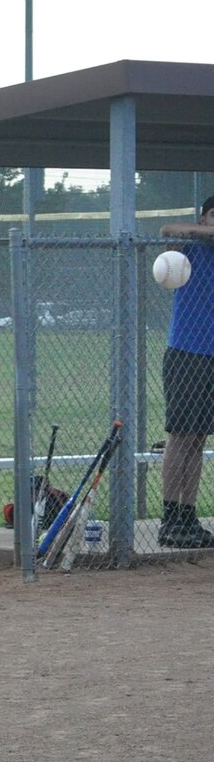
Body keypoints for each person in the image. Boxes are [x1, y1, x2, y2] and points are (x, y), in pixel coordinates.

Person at [155, 195, 214, 548]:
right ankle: (169, 518)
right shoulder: (187, 251)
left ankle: (187, 516)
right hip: (186, 353)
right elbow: (167, 229)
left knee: (199, 439)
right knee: (180, 435)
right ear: (203, 218)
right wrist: (203, 231)